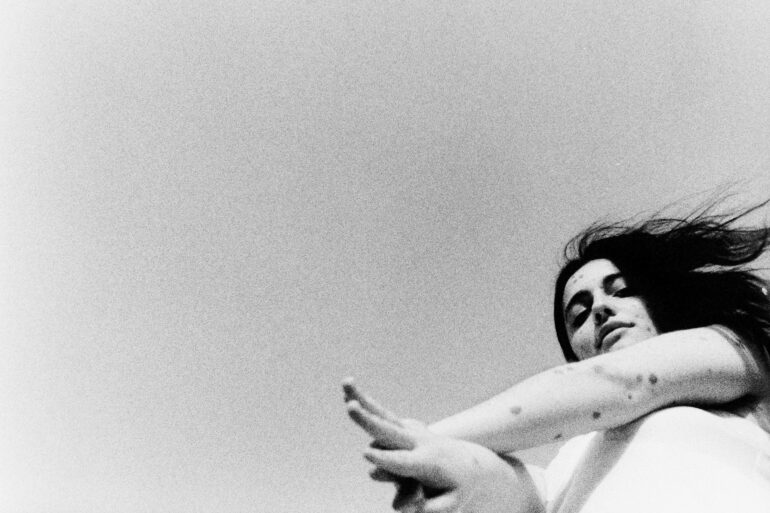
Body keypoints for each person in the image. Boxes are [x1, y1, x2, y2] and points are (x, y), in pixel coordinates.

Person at [343, 201, 770, 513]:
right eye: (579, 315)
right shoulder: (572, 461)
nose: (600, 310)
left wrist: (432, 435)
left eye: (621, 291)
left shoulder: (736, 351)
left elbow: (623, 383)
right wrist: (433, 465)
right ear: (575, 353)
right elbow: (520, 497)